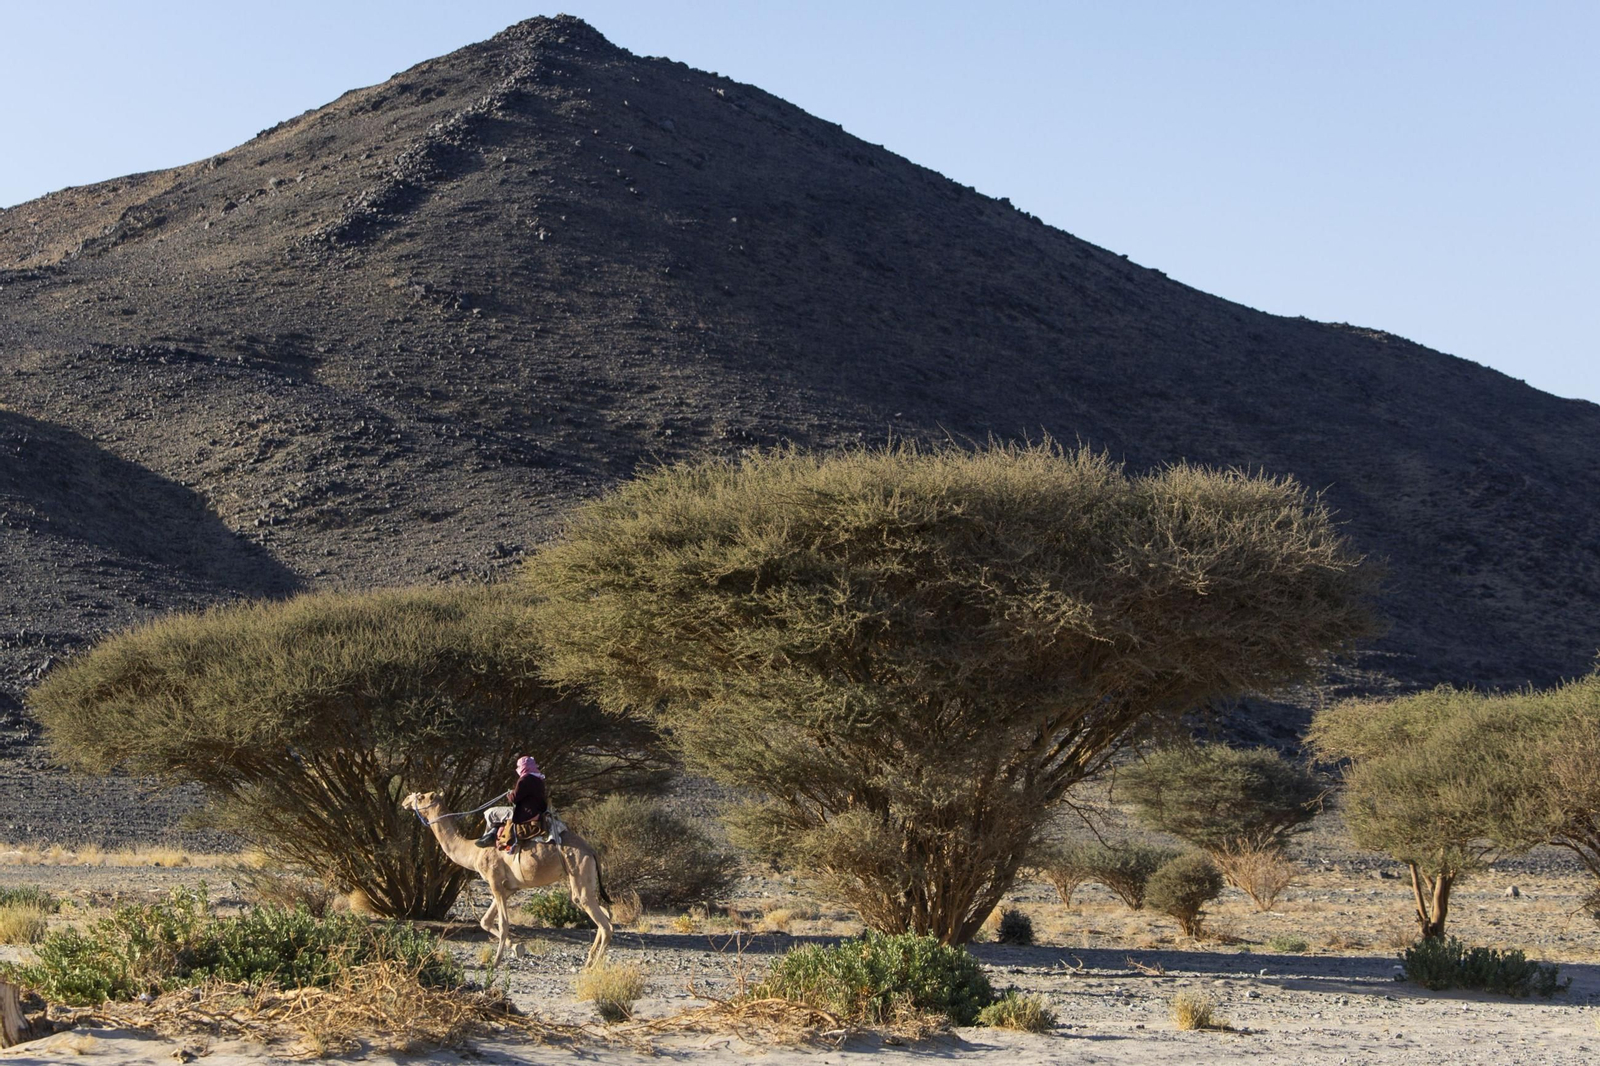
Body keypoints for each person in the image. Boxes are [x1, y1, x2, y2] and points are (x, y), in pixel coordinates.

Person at [476, 755, 549, 847]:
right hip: (536, 811)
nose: (518, 769)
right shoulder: (539, 780)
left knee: (490, 813)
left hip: (526, 813)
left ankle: (488, 838)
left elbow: (514, 798)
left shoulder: (524, 779)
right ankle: (494, 832)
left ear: (523, 767)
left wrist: (509, 795)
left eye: (519, 766)